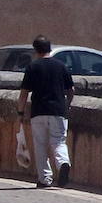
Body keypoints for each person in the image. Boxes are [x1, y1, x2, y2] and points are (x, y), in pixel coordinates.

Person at [18, 35, 74, 188]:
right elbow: (71, 90)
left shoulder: (32, 67)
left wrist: (20, 112)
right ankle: (63, 162)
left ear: (36, 50)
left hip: (38, 110)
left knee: (40, 144)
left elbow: (24, 93)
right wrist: (67, 105)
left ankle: (44, 178)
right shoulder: (61, 66)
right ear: (50, 48)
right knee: (59, 141)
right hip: (58, 110)